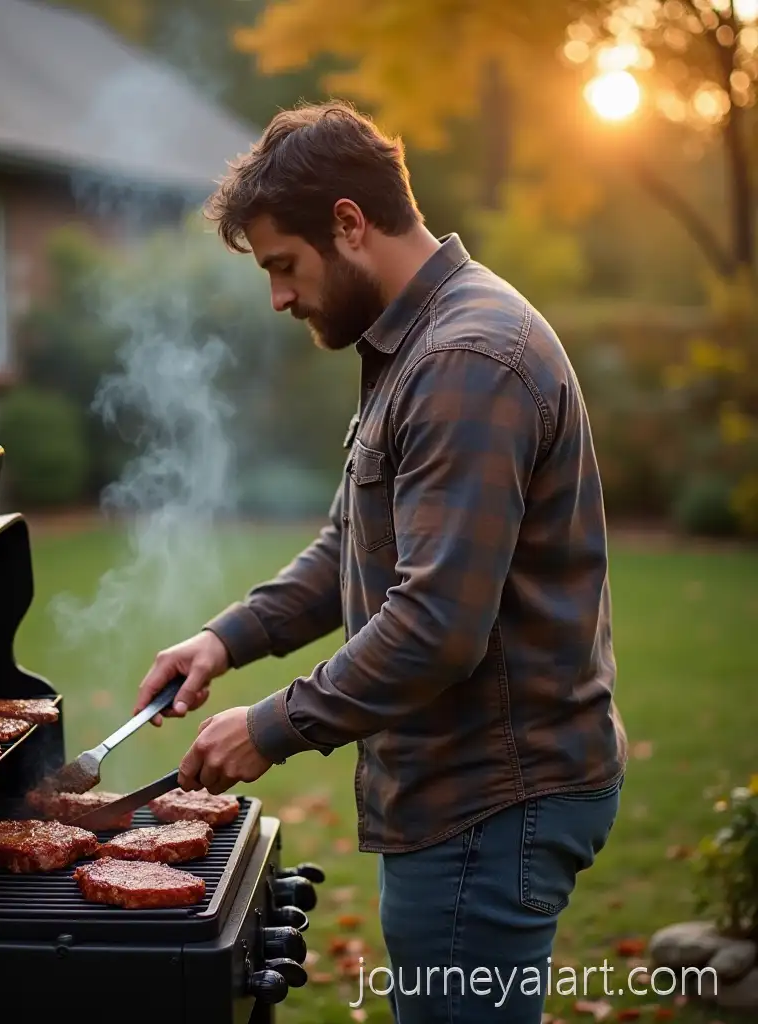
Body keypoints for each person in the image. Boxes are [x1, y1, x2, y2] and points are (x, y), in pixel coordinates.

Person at [132, 100, 627, 1024]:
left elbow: (437, 627)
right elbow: (346, 550)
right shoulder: (419, 345)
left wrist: (271, 725)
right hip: (473, 792)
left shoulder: (466, 358)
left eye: (283, 265)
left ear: (349, 224)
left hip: (489, 798)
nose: (278, 297)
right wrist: (224, 640)